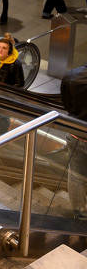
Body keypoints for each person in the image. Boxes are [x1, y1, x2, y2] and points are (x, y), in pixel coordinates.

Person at [61, 64, 87, 220]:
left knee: (76, 175)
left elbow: (66, 104)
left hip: (76, 133)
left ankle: (81, 215)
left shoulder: (72, 75)